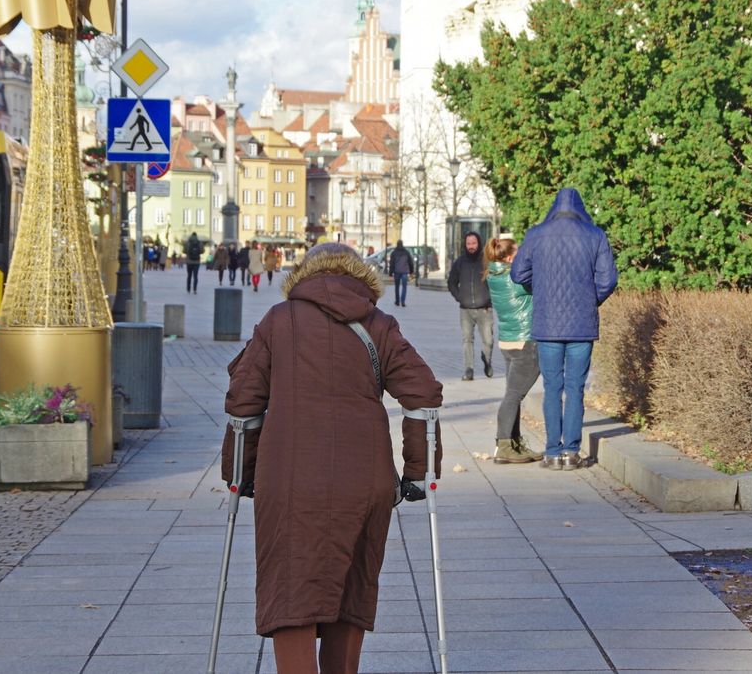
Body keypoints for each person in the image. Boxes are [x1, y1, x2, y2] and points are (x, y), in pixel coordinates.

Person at [221, 242, 443, 674]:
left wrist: (242, 475)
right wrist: (419, 471)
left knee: (292, 589)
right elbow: (423, 395)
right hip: (365, 479)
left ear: (303, 276)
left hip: (289, 478)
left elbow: (243, 405)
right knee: (350, 589)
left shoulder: (278, 321)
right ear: (360, 277)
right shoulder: (380, 323)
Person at [511, 188, 618, 470]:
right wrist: (588, 300)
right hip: (582, 325)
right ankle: (571, 452)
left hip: (548, 324)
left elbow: (518, 273)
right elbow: (608, 280)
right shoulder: (595, 235)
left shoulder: (536, 234)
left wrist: (542, 290)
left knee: (551, 388)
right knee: (575, 388)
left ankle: (551, 452)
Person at [484, 236, 541, 464]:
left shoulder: (493, 274)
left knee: (513, 395)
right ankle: (504, 444)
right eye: (517, 254)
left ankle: (514, 444)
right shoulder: (515, 277)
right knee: (513, 396)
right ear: (509, 257)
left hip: (508, 342)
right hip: (525, 340)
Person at [447, 231, 494, 381]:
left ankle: (487, 361)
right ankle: (469, 369)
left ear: (478, 243)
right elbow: (451, 282)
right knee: (467, 339)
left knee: (488, 340)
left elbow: (494, 283)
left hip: (485, 309)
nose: (471, 246)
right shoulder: (460, 262)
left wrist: (490, 299)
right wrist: (459, 297)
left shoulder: (486, 261)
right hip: (465, 310)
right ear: (465, 245)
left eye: (473, 243)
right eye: (468, 244)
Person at [387, 239, 414, 307]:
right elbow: (410, 262)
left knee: (397, 287)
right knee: (404, 287)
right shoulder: (406, 252)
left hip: (397, 272)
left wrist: (390, 273)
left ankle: (397, 301)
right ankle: (403, 301)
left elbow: (392, 264)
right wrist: (411, 271)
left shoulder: (394, 253)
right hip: (404, 272)